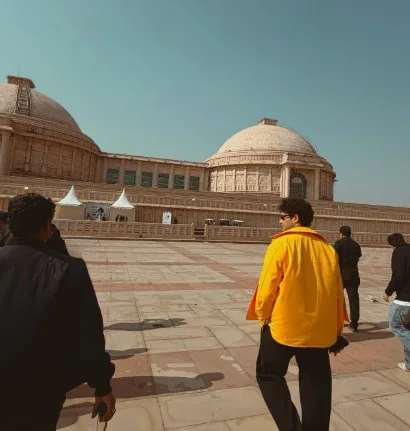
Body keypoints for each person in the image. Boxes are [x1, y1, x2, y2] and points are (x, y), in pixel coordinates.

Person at [0, 193, 116, 429]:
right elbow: (88, 336)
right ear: (47, 227)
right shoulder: (67, 269)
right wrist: (102, 385)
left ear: (10, 224)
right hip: (37, 389)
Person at [247, 198, 346, 431]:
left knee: (269, 375)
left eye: (283, 218)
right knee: (317, 382)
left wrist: (263, 316)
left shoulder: (281, 244)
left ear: (295, 218)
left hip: (283, 326)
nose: (280, 222)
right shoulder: (328, 249)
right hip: (318, 330)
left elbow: (267, 287)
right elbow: (337, 294)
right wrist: (336, 331)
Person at [384, 233, 410, 372]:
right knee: (407, 330)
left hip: (405, 299)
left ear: (392, 244)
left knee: (396, 326)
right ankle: (409, 364)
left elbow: (398, 275)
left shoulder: (399, 252)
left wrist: (388, 291)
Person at [334, 226, 362, 332]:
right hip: (353, 275)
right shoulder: (356, 245)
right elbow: (358, 257)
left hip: (341, 275)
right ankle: (354, 323)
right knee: (353, 298)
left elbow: (334, 257)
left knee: (337, 298)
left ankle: (336, 320)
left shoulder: (339, 243)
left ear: (341, 234)